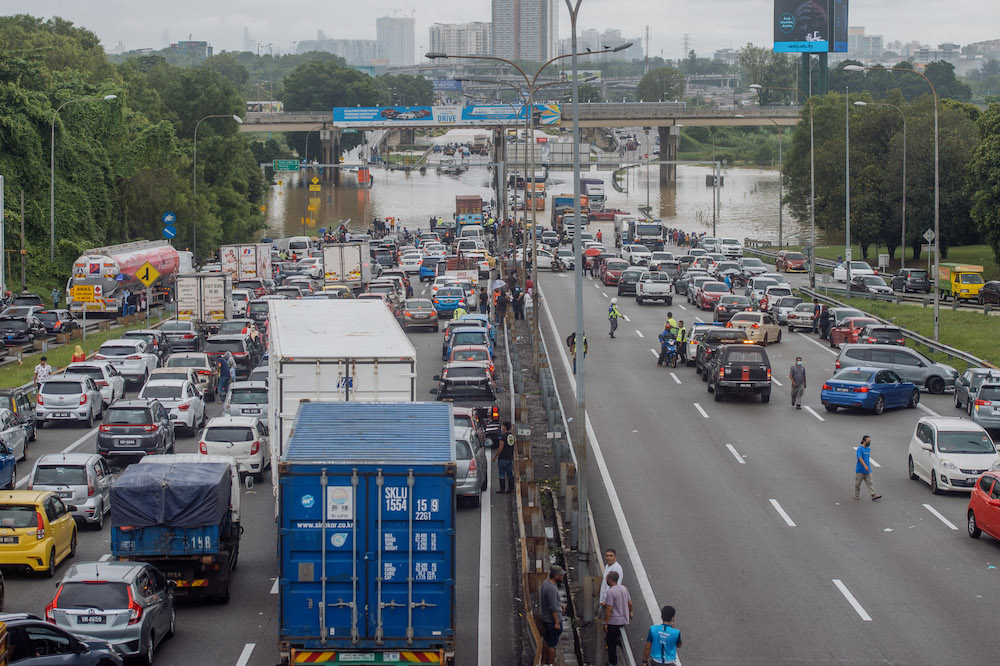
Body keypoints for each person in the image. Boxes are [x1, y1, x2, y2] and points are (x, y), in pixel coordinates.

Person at [603, 571, 633, 666]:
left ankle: (613, 663)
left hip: (614, 622)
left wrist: (606, 622)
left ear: (610, 579)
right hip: (624, 620)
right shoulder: (624, 588)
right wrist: (630, 612)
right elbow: (630, 603)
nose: (606, 580)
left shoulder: (610, 592)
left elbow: (609, 608)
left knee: (611, 645)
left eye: (607, 578)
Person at [539, 566, 566, 666]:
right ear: (555, 575)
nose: (562, 576)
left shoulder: (546, 583)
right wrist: (556, 622)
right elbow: (552, 608)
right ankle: (550, 663)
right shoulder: (552, 589)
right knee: (553, 645)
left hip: (546, 619)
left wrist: (560, 604)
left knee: (546, 641)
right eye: (561, 574)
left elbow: (552, 602)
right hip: (552, 621)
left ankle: (543, 662)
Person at [854, 435, 881, 501]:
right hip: (860, 470)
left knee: (870, 483)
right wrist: (865, 466)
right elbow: (860, 458)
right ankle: (856, 495)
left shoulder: (868, 449)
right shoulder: (860, 449)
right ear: (863, 441)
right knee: (857, 484)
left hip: (867, 470)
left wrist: (867, 466)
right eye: (868, 441)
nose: (869, 443)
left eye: (870, 441)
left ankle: (873, 495)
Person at [492, 421, 516, 493]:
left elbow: (500, 447)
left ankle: (502, 489)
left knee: (502, 474)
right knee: (510, 473)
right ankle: (510, 489)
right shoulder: (511, 436)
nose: (502, 428)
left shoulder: (503, 437)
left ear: (505, 427)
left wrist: (495, 456)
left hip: (502, 458)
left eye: (502, 426)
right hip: (510, 458)